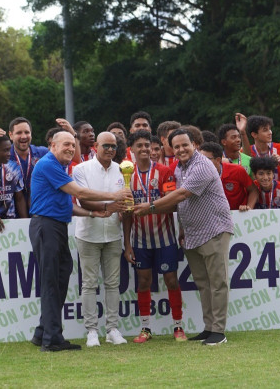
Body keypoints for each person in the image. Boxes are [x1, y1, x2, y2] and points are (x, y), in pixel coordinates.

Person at [28, 131, 132, 352]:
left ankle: (42, 332)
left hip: (55, 225)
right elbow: (79, 192)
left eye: (71, 145)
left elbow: (68, 204)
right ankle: (52, 339)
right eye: (65, 144)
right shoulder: (49, 165)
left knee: (59, 277)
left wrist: (95, 213)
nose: (69, 148)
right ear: (52, 146)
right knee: (51, 282)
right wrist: (114, 197)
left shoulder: (59, 166)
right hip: (47, 226)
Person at [133, 128, 233, 346]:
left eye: (184, 145)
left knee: (218, 282)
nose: (180, 149)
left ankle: (219, 331)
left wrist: (150, 207)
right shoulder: (178, 168)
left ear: (194, 144)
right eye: (176, 146)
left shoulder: (202, 165)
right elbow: (175, 202)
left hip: (214, 228)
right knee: (203, 283)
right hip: (192, 233)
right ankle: (209, 328)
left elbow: (181, 194)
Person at [122, 130, 187, 343]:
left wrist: (149, 208)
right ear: (131, 149)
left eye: (147, 145)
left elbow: (171, 202)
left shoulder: (165, 171)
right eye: (139, 145)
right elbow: (127, 213)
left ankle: (178, 326)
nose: (144, 149)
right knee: (143, 282)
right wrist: (127, 243)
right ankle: (145, 329)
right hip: (140, 240)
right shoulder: (125, 175)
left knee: (171, 280)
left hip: (165, 237)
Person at [73, 132, 132, 347]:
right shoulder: (81, 169)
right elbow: (84, 200)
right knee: (89, 284)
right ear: (96, 145)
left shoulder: (124, 170)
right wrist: (110, 206)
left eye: (113, 147)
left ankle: (112, 329)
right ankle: (91, 331)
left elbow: (126, 207)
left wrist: (127, 238)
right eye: (105, 145)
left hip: (113, 234)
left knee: (113, 284)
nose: (109, 150)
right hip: (88, 234)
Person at [199, 142, 257, 211]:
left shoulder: (237, 170)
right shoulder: (197, 175)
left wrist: (248, 208)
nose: (201, 163)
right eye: (199, 159)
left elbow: (253, 190)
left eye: (205, 159)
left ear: (218, 160)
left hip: (239, 215)